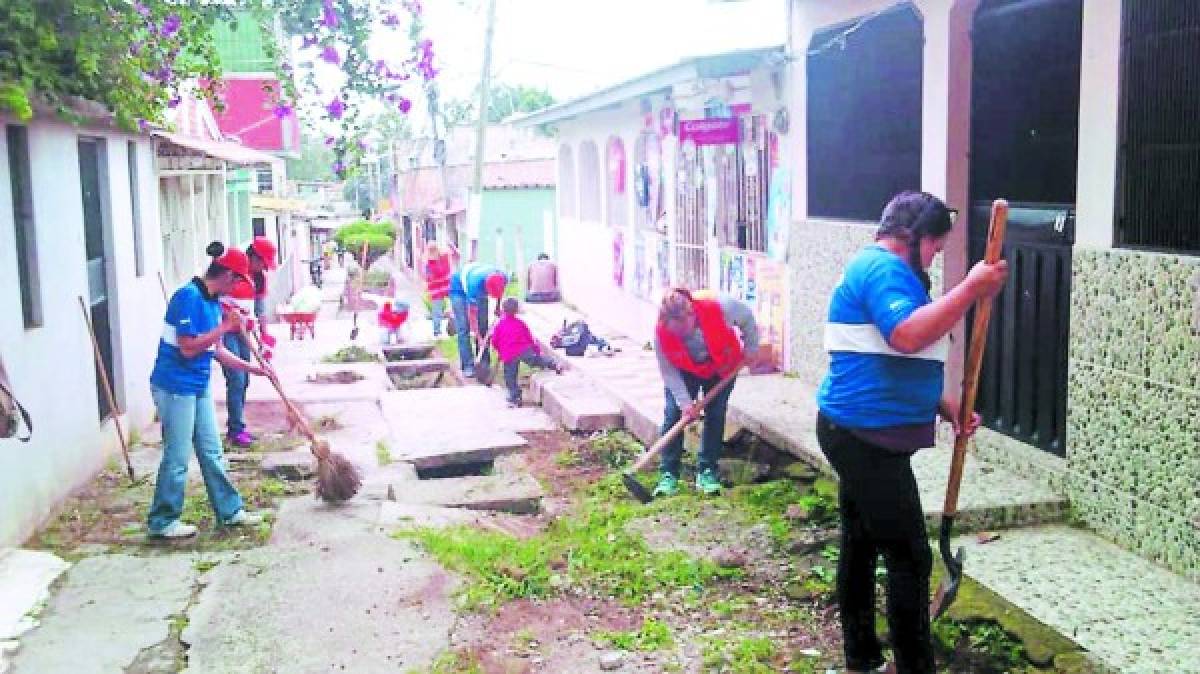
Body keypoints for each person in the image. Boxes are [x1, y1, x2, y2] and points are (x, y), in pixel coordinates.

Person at [816, 191, 1008, 674]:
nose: (936, 256)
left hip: (859, 430)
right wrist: (968, 290)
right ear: (913, 236)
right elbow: (905, 334)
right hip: (865, 437)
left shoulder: (886, 271)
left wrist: (945, 406)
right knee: (910, 557)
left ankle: (862, 660)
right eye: (936, 247)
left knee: (861, 545)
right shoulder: (883, 269)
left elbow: (898, 355)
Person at [147, 242, 269, 539]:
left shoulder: (213, 302)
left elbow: (217, 352)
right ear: (227, 275)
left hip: (198, 384)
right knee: (178, 455)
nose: (237, 287)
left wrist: (255, 368)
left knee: (212, 451)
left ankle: (229, 511)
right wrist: (225, 328)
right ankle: (163, 521)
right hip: (175, 386)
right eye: (238, 280)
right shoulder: (187, 298)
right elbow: (188, 348)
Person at [653, 287, 759, 498]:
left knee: (716, 413)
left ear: (691, 314)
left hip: (723, 367)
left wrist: (751, 349)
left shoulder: (721, 307)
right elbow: (669, 373)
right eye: (676, 333)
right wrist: (686, 405)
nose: (680, 336)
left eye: (683, 331)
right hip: (686, 370)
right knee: (674, 414)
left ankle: (707, 470)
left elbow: (747, 317)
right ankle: (668, 474)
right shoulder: (661, 333)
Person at [221, 236, 277, 448]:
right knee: (236, 377)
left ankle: (238, 426)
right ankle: (236, 430)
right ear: (253, 256)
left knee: (245, 378)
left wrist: (264, 337)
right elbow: (214, 298)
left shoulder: (259, 279)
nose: (264, 267)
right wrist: (227, 318)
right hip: (225, 331)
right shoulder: (232, 272)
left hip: (244, 330)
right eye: (263, 262)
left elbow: (260, 310)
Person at [487, 298, 562, 406]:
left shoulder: (499, 325)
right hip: (523, 350)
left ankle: (515, 396)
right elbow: (530, 338)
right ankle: (553, 364)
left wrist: (500, 351)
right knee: (537, 360)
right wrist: (536, 350)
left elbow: (494, 341)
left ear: (503, 310)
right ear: (516, 310)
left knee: (510, 376)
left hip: (509, 354)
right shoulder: (520, 323)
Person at [448, 262, 507, 378]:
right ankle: (468, 365)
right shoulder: (474, 285)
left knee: (483, 326)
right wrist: (478, 336)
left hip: (479, 285)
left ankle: (484, 362)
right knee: (464, 328)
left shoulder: (503, 276)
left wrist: (498, 306)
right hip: (458, 289)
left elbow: (500, 291)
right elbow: (472, 315)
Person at [423, 241, 452, 336]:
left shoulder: (428, 262)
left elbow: (428, 277)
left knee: (437, 311)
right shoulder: (443, 258)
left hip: (437, 289)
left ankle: (437, 332)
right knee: (450, 308)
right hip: (446, 287)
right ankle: (441, 331)